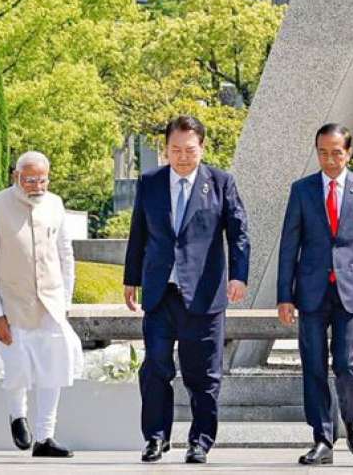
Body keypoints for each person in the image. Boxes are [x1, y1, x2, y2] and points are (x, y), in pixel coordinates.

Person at [123, 114, 251, 464]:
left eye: (189, 150)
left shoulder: (221, 182)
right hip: (160, 293)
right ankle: (155, 437)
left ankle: (201, 441)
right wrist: (130, 277)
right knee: (155, 369)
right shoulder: (149, 182)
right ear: (165, 149)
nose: (181, 156)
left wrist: (238, 276)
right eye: (174, 149)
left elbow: (238, 234)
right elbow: (139, 233)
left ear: (202, 148)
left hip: (205, 296)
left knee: (203, 375)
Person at [277, 123, 353, 466]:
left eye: (336, 152)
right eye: (323, 152)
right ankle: (323, 438)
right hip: (310, 291)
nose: (330, 159)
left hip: (352, 291)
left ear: (348, 152)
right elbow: (288, 246)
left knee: (346, 364)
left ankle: (351, 419)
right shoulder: (303, 190)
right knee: (312, 365)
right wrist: (284, 295)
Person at [0, 151, 83, 458]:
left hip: (50, 302)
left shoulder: (56, 204)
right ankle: (17, 415)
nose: (37, 186)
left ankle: (45, 437)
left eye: (42, 179)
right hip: (11, 302)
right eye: (30, 180)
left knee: (53, 368)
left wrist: (66, 302)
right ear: (16, 177)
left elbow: (65, 255)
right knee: (17, 367)